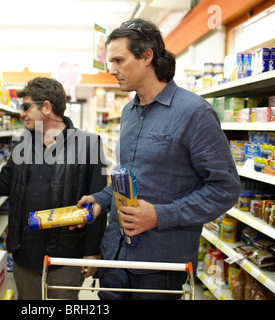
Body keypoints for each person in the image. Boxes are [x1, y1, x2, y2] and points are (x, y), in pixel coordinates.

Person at [78, 18, 241, 300]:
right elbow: (130, 178)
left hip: (158, 268)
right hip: (114, 256)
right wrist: (102, 200)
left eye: (118, 60)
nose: (111, 69)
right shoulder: (129, 112)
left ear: (146, 56)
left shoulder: (195, 114)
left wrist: (159, 216)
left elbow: (224, 189)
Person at [0, 77, 108, 300]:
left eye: (26, 107)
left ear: (46, 107)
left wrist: (92, 252)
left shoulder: (88, 144)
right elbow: (7, 182)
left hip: (65, 256)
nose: (21, 113)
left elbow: (98, 202)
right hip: (26, 252)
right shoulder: (23, 143)